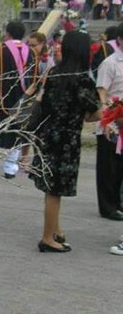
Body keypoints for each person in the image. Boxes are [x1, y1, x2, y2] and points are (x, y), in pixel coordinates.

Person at [29, 31, 101, 252]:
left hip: (47, 135)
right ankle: (47, 238)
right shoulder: (83, 80)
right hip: (66, 140)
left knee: (50, 189)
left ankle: (56, 230)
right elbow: (95, 112)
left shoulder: (54, 72)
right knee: (55, 191)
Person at [0, 20, 37, 178]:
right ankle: (10, 168)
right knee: (17, 131)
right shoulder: (31, 52)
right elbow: (34, 78)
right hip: (22, 100)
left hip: (0, 98)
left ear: (8, 33)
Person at [95, 23, 123, 220]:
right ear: (119, 39)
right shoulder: (110, 63)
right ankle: (107, 207)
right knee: (109, 168)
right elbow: (102, 92)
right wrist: (107, 120)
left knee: (120, 168)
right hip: (112, 123)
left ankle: (117, 202)